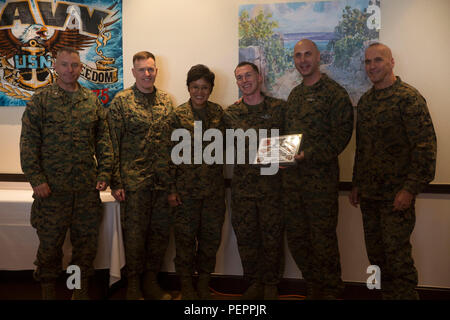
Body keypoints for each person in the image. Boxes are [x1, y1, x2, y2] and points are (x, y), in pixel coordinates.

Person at [20, 47, 113, 300]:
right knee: (50, 248)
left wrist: (104, 171)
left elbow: (104, 139)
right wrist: (37, 179)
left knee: (84, 248)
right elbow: (28, 142)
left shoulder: (91, 101)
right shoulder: (41, 100)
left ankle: (77, 292)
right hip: (52, 192)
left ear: (81, 68)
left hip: (85, 191)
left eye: (74, 65)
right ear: (55, 66)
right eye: (64, 65)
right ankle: (49, 292)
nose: (69, 70)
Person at [349, 42, 437, 300]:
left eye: (378, 60)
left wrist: (410, 189)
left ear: (391, 62)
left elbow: (425, 147)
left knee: (397, 259)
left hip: (396, 197)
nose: (372, 66)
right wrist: (356, 183)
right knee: (375, 259)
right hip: (370, 196)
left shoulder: (408, 98)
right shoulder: (366, 102)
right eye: (367, 62)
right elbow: (362, 148)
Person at [282, 39, 354, 299]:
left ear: (318, 57)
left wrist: (308, 155)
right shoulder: (294, 95)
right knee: (298, 240)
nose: (303, 60)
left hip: (320, 184)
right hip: (293, 184)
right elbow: (287, 137)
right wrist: (282, 154)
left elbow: (341, 136)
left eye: (307, 54)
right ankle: (313, 287)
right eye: (298, 56)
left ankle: (332, 291)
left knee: (323, 242)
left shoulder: (335, 94)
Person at [108, 51, 174, 300]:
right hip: (133, 184)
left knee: (159, 235)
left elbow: (172, 143)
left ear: (156, 71)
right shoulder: (121, 101)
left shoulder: (167, 101)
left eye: (151, 69)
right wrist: (116, 181)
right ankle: (133, 285)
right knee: (135, 237)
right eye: (142, 69)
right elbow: (111, 143)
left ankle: (151, 281)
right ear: (134, 72)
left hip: (162, 184)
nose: (147, 73)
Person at [163, 64, 226, 299]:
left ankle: (204, 283)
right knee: (185, 241)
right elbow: (166, 155)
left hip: (213, 193)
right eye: (195, 87)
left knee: (210, 240)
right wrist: (171, 189)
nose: (200, 92)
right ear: (188, 88)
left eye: (205, 88)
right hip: (185, 194)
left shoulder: (220, 113)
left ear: (211, 89)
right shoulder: (177, 116)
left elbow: (235, 139)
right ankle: (187, 285)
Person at [225, 61, 285, 300]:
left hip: (273, 189)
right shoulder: (231, 113)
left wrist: (281, 154)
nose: (244, 81)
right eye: (239, 78)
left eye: (248, 75)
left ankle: (271, 284)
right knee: (246, 237)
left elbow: (292, 142)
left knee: (272, 238)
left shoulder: (280, 108)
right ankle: (254, 282)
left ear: (259, 77)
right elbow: (220, 146)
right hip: (243, 189)